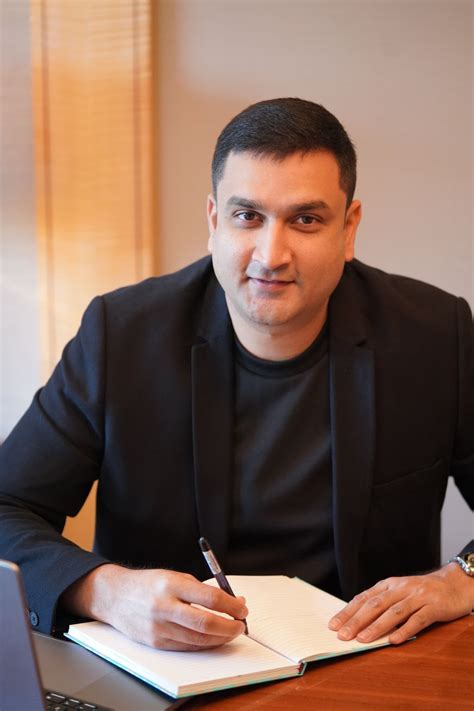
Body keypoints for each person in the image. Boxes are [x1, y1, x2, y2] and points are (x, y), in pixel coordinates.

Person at [0, 98, 473, 653]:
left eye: (305, 220)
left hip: (370, 665)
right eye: (248, 216)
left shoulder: (434, 334)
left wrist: (462, 578)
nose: (271, 255)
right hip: (172, 668)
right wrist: (104, 591)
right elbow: (8, 509)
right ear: (213, 221)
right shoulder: (121, 334)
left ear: (348, 229)